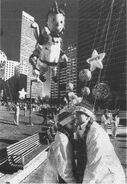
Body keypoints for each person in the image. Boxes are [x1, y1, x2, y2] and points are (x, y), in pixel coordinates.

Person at [73, 101, 125, 184]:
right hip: (95, 173)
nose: (75, 115)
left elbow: (94, 166)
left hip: (107, 177)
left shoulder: (95, 134)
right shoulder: (80, 128)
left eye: (79, 112)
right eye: (75, 112)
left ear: (88, 117)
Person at [42, 110, 77, 183]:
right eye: (71, 124)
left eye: (75, 123)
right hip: (56, 179)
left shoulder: (66, 136)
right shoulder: (62, 139)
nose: (75, 125)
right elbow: (64, 170)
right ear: (64, 125)